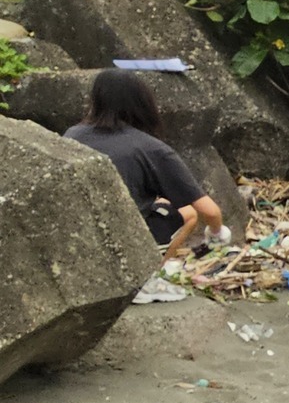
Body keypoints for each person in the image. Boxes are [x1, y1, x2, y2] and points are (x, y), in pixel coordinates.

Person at [63, 71, 228, 300]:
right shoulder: (150, 148)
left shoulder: (72, 135)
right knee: (188, 213)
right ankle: (142, 278)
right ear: (143, 102)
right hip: (124, 239)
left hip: (75, 235)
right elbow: (209, 210)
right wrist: (218, 232)